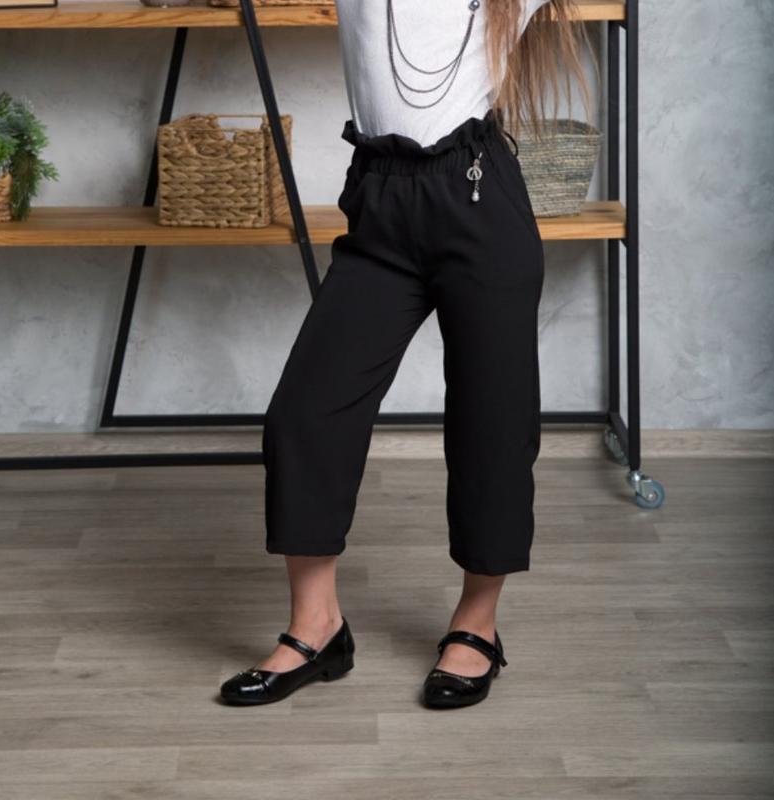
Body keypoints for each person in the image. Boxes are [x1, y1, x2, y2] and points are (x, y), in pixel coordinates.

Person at [221, 0, 595, 709]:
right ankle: (316, 628)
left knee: (492, 423)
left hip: (479, 203)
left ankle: (476, 624)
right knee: (306, 414)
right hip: (379, 205)